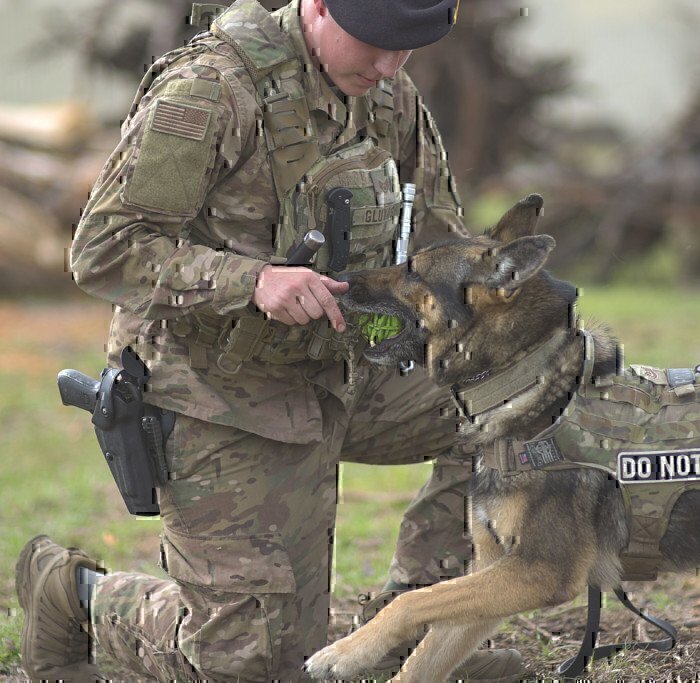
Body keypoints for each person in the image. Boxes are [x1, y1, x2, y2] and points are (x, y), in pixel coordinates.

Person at [16, 0, 525, 679]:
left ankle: (418, 635)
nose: (390, 64)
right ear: (316, 4)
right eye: (374, 41)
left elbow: (437, 230)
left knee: (517, 395)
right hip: (220, 392)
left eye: (409, 47)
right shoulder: (212, 90)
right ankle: (75, 595)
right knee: (251, 665)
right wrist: (250, 281)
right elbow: (104, 248)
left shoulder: (386, 95)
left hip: (346, 367)